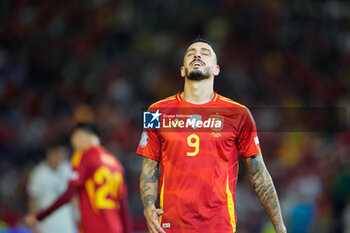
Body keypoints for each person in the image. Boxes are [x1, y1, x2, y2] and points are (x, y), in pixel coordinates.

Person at [137, 38, 287, 233]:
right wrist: (148, 208)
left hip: (219, 226)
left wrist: (279, 226)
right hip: (170, 227)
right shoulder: (155, 111)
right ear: (182, 70)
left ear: (216, 69)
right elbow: (149, 170)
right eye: (190, 53)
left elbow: (259, 174)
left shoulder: (238, 114)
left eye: (205, 52)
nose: (197, 54)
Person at [24, 122, 132, 233]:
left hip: (94, 227)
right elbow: (123, 206)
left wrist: (39, 216)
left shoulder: (82, 156)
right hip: (116, 227)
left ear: (78, 136)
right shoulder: (115, 163)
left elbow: (68, 194)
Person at [27, 143, 77, 233]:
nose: (59, 157)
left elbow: (73, 195)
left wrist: (78, 215)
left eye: (61, 154)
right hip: (47, 223)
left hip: (66, 222)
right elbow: (33, 199)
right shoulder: (39, 173)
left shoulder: (67, 169)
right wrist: (34, 224)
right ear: (50, 154)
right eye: (57, 154)